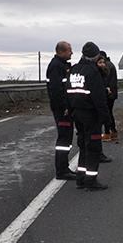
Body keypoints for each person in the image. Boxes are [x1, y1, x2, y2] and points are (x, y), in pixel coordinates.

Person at [68, 41, 110, 190]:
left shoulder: (74, 70)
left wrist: (71, 110)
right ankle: (91, 181)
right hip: (91, 115)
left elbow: (68, 92)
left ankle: (81, 178)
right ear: (96, 55)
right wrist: (106, 119)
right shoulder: (93, 72)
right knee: (93, 148)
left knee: (83, 146)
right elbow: (99, 98)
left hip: (77, 113)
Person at [46, 40, 76, 180]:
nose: (72, 52)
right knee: (64, 139)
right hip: (62, 110)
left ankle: (64, 167)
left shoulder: (62, 65)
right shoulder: (56, 67)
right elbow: (56, 90)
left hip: (65, 108)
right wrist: (64, 107)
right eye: (69, 50)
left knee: (67, 138)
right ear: (62, 51)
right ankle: (61, 170)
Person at [94, 56, 113, 164]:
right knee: (95, 133)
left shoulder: (103, 74)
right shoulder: (95, 75)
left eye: (103, 62)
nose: (102, 64)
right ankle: (97, 155)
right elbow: (97, 92)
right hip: (95, 108)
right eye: (100, 62)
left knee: (97, 132)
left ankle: (98, 153)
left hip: (100, 105)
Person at [99, 51, 118, 142]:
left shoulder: (105, 66)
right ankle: (113, 132)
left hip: (108, 93)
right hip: (112, 93)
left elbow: (105, 80)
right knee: (109, 113)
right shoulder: (111, 65)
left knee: (107, 113)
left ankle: (107, 133)